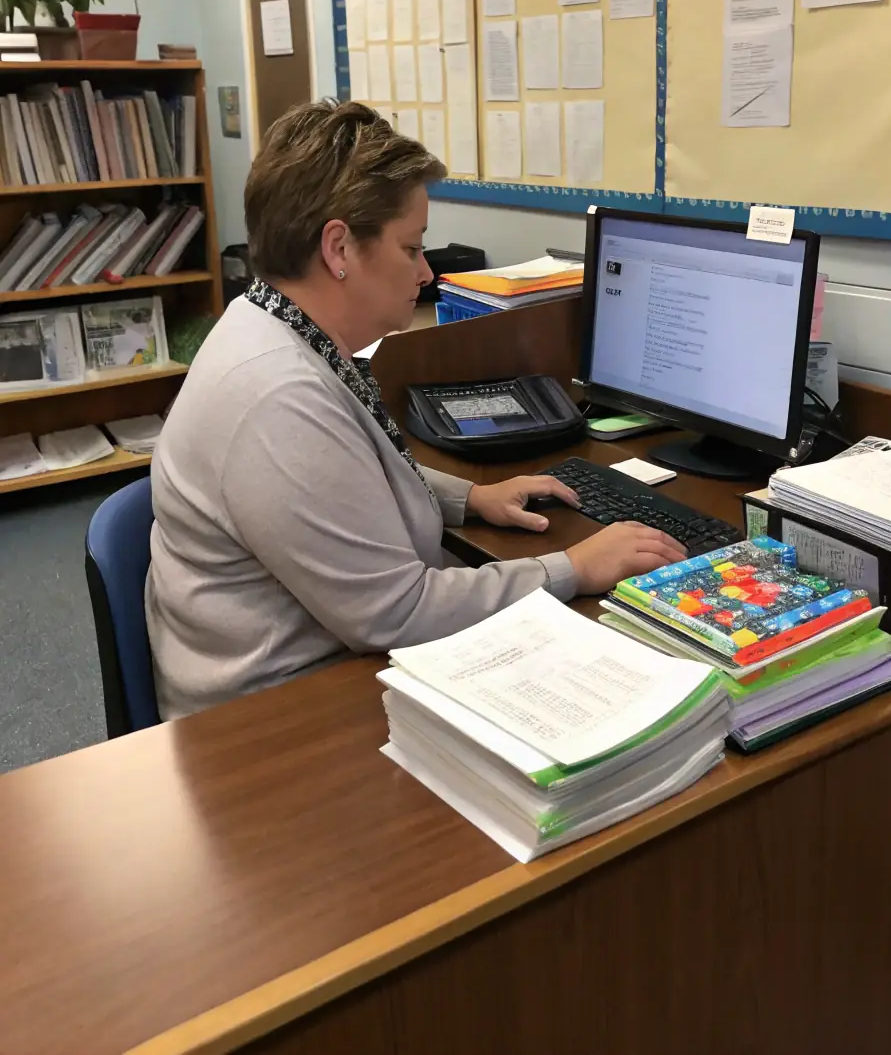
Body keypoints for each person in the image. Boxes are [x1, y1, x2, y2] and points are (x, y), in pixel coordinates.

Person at [146, 101, 685, 718]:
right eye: (411, 248)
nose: (427, 274)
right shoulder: (277, 394)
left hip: (306, 656)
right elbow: (396, 612)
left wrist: (469, 498)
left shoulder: (272, 321)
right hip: (276, 717)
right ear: (339, 247)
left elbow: (345, 464)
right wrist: (572, 568)